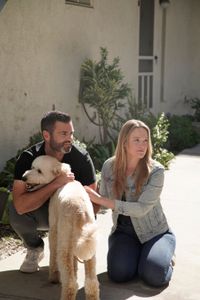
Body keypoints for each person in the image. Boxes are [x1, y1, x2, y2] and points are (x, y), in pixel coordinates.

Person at [85, 119, 176, 287]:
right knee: (119, 274)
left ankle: (164, 256)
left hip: (155, 233)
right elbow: (104, 203)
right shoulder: (109, 167)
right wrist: (85, 195)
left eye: (145, 140)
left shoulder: (156, 171)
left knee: (154, 276)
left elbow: (141, 209)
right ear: (124, 142)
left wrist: (101, 199)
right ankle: (142, 256)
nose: (142, 145)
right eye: (136, 140)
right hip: (123, 232)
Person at [9, 110, 97, 273]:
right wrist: (56, 183)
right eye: (63, 133)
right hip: (43, 212)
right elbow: (20, 205)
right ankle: (34, 248)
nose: (69, 138)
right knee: (15, 211)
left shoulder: (81, 157)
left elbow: (93, 202)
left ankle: (73, 247)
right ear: (47, 135)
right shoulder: (28, 158)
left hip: (70, 215)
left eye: (71, 133)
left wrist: (80, 234)